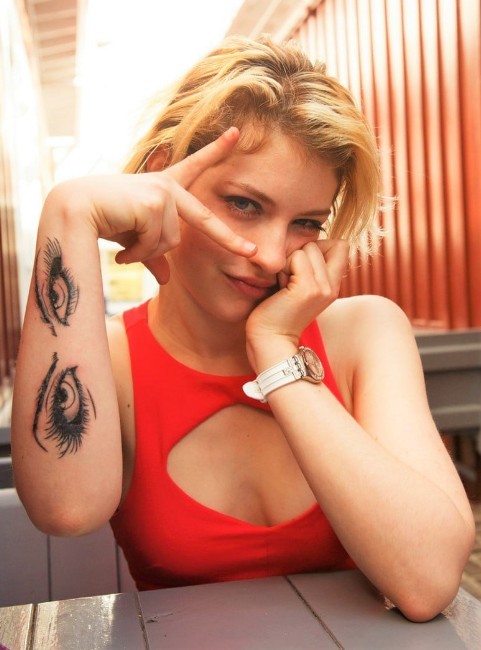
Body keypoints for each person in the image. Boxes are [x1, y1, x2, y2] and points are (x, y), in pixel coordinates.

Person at [11, 35, 474, 622]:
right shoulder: (112, 363)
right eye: (245, 205)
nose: (272, 255)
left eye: (306, 223)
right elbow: (67, 510)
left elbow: (427, 581)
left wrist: (277, 352)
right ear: (163, 179)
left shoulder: (365, 332)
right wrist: (68, 213)